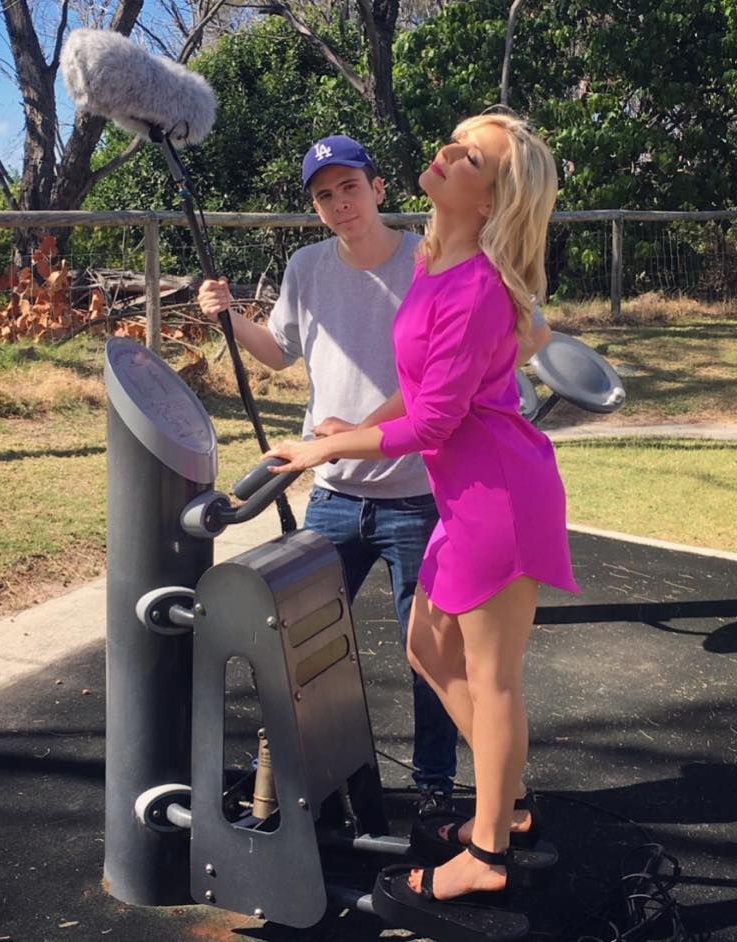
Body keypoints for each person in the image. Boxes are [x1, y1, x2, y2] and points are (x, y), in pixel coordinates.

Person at [261, 112, 578, 914]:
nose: (444, 152)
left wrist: (325, 450)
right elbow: (426, 388)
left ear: (491, 198)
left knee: (492, 681)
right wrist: (349, 428)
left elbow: (434, 423)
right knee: (427, 645)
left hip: (500, 496)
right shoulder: (438, 259)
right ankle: (509, 802)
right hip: (466, 495)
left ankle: (489, 851)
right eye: (454, 139)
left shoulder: (476, 286)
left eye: (468, 156)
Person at [197, 133, 551, 812]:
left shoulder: (434, 256)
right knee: (297, 636)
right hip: (335, 493)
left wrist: (353, 437)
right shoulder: (307, 267)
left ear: (378, 188)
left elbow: (486, 360)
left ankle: (438, 787)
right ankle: (305, 778)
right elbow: (278, 352)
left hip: (416, 493)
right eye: (324, 195)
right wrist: (230, 318)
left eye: (350, 187)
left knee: (436, 658)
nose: (340, 203)